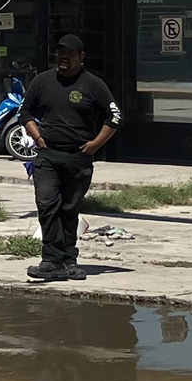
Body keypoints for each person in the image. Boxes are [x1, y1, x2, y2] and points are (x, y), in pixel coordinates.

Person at [20, 34, 123, 282]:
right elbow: (25, 111)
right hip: (47, 155)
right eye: (59, 53)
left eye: (68, 54)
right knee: (47, 205)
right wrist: (37, 137)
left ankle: (68, 260)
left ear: (81, 56)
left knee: (69, 209)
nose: (63, 58)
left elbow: (115, 117)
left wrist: (95, 145)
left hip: (78, 158)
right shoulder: (43, 81)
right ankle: (50, 259)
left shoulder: (93, 84)